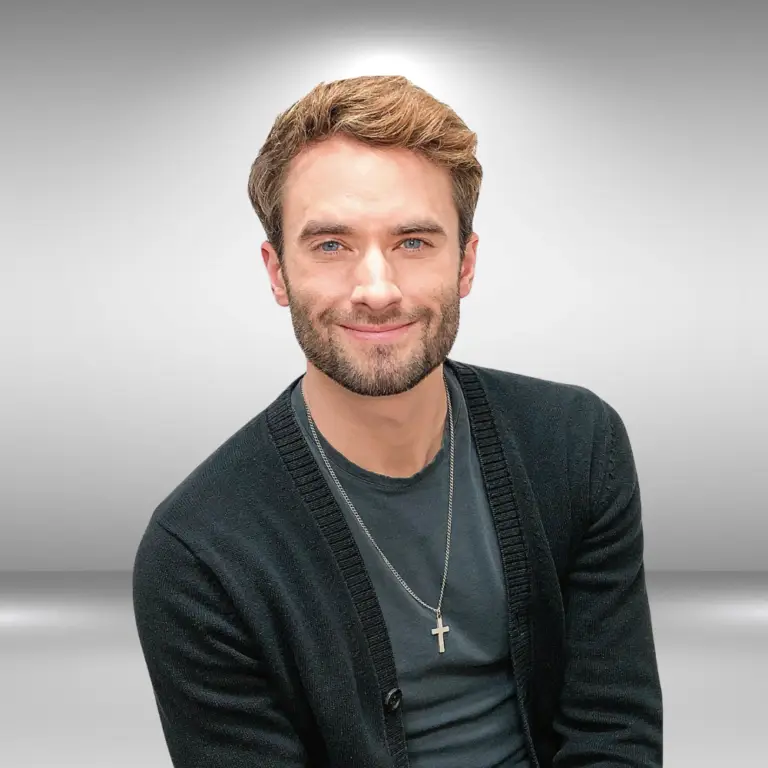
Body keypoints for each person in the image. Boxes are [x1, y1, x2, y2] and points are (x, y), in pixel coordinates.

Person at [132, 74, 663, 768]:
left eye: (414, 242)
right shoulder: (199, 554)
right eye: (331, 245)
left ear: (466, 262)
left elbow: (614, 736)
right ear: (276, 273)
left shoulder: (576, 444)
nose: (377, 289)